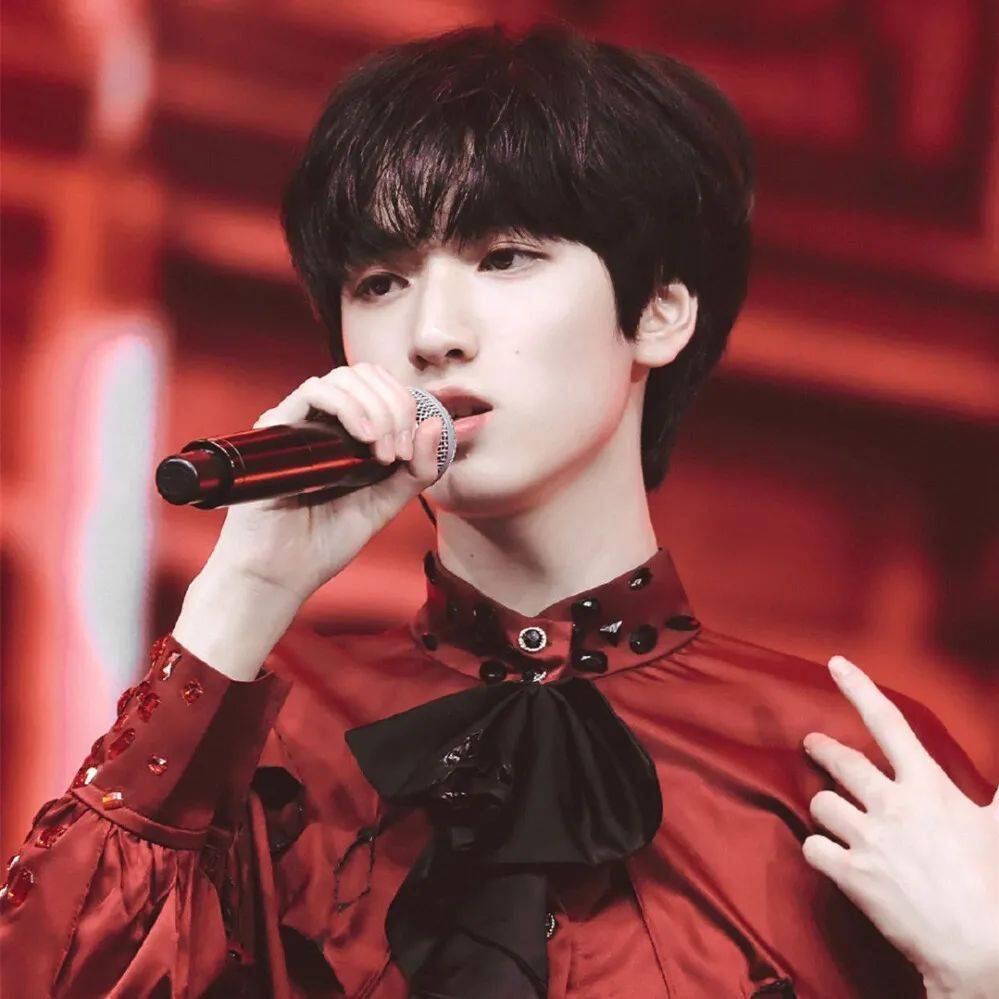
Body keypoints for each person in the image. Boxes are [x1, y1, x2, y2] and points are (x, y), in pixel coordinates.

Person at [0, 23, 995, 999]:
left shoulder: (848, 764)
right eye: (381, 281)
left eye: (505, 257)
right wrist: (243, 592)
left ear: (658, 311)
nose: (432, 334)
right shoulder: (261, 744)